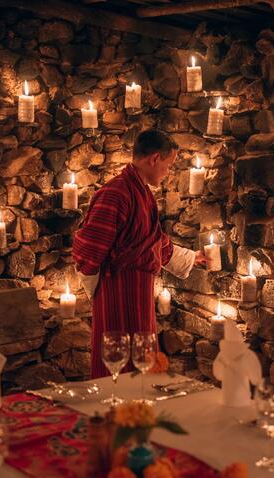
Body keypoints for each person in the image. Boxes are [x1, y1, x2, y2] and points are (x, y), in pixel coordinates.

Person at [72, 129, 206, 378]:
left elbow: (152, 241)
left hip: (140, 292)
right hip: (117, 291)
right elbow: (90, 246)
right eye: (169, 165)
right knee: (117, 356)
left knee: (141, 358)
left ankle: (139, 412)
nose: (168, 173)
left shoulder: (142, 193)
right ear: (154, 159)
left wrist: (191, 257)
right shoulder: (116, 193)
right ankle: (114, 412)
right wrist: (96, 286)